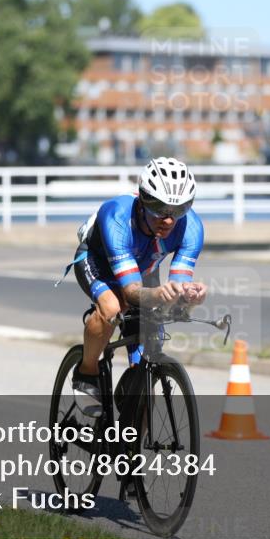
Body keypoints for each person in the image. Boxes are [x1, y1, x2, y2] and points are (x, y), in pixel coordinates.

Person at [68, 157, 207, 411]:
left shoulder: (192, 228)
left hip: (143, 271)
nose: (168, 220)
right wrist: (159, 294)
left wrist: (189, 297)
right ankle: (86, 372)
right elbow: (131, 294)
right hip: (99, 262)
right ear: (143, 200)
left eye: (178, 210)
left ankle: (131, 429)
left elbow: (175, 290)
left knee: (145, 386)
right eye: (159, 208)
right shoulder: (118, 216)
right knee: (112, 308)